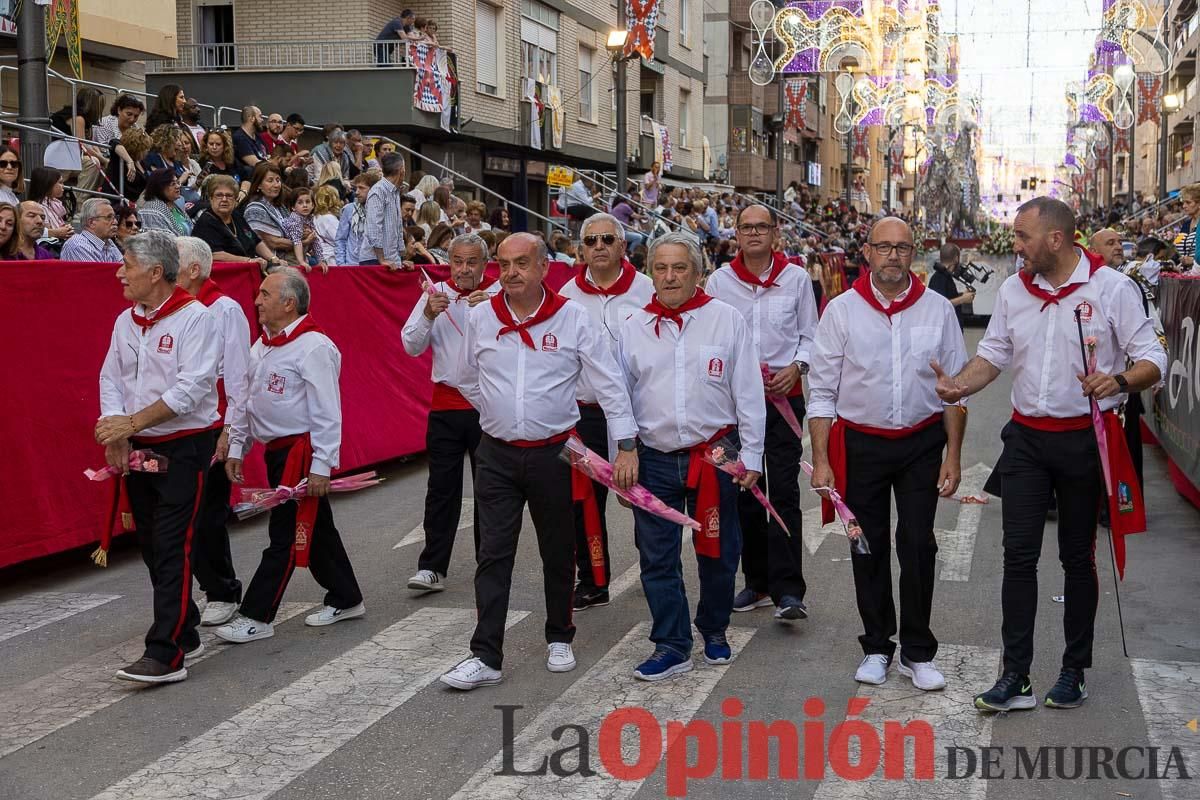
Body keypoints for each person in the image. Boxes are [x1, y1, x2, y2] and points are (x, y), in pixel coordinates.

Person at [932, 197, 1166, 712]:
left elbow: (1154, 356)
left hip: (1085, 439)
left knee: (1077, 558)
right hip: (1026, 442)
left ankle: (1073, 670)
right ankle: (1015, 675)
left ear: (1055, 240)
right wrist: (958, 387)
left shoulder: (1112, 289)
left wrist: (1119, 379)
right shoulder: (1016, 290)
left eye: (1022, 236)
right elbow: (993, 354)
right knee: (1018, 558)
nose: (1015, 246)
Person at [439, 233, 639, 691]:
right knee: (492, 554)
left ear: (545, 267)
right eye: (504, 264)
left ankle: (559, 635)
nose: (511, 273)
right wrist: (499, 410)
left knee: (557, 548)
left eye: (522, 263)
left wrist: (626, 444)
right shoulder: (480, 318)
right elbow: (466, 375)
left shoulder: (572, 319)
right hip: (497, 454)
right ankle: (485, 654)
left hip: (555, 454)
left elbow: (609, 384)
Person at [807, 216, 968, 691]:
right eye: (884, 247)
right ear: (868, 253)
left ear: (913, 253)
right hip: (861, 445)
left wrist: (953, 456)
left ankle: (917, 652)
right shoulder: (840, 311)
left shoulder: (938, 310)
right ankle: (877, 645)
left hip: (921, 443)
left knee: (919, 544)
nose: (893, 256)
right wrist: (821, 459)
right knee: (866, 545)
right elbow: (820, 393)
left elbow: (956, 392)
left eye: (902, 248)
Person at [616, 231, 765, 680]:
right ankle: (671, 643)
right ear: (649, 273)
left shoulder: (726, 319)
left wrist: (753, 455)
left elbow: (748, 391)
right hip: (653, 456)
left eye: (679, 267)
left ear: (698, 273)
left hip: (715, 454)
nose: (669, 276)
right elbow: (617, 398)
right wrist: (620, 459)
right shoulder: (633, 326)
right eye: (660, 268)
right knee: (656, 556)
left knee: (718, 551)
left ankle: (714, 629)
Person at [96, 230, 221, 683]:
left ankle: (165, 653)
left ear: (154, 272)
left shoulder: (197, 319)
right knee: (150, 543)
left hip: (184, 444)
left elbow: (191, 390)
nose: (118, 273)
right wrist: (115, 426)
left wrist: (131, 424)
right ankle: (184, 626)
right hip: (140, 443)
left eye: (126, 265)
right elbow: (112, 376)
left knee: (171, 543)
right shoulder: (125, 321)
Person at [219, 268, 366, 643]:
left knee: (284, 534)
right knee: (317, 529)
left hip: (300, 455)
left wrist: (321, 466)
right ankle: (347, 597)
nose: (257, 301)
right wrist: (238, 445)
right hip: (275, 452)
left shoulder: (314, 347)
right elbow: (249, 402)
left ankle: (257, 614)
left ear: (288, 302)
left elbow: (327, 411)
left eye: (265, 295)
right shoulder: (263, 345)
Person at [707, 203, 818, 622]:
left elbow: (811, 334)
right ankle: (757, 582)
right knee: (746, 491)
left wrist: (796, 366)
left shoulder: (796, 279)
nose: (753, 234)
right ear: (736, 233)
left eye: (761, 227)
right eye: (746, 227)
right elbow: (712, 336)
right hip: (735, 403)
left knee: (784, 491)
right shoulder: (720, 281)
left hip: (784, 397)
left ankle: (790, 589)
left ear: (775, 233)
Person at [558, 213, 654, 610]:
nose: (599, 246)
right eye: (591, 240)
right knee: (584, 503)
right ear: (581, 249)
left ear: (622, 246)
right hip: (586, 415)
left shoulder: (648, 289)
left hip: (639, 412)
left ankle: (655, 575)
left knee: (643, 499)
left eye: (607, 239)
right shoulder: (565, 295)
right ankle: (594, 581)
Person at [403, 232, 500, 594]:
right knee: (440, 490)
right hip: (444, 405)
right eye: (457, 261)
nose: (463, 269)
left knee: (488, 490)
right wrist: (428, 314)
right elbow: (410, 345)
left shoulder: (497, 295)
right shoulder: (434, 293)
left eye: (471, 262)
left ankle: (487, 564)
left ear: (484, 264)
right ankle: (432, 567)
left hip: (487, 408)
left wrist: (489, 311)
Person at [175, 236, 252, 627]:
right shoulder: (169, 309)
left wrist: (231, 430)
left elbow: (238, 375)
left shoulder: (225, 309)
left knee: (209, 512)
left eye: (173, 262)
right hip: (178, 421)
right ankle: (194, 589)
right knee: (180, 513)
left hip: (214, 419)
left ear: (193, 269)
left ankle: (222, 589)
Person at [191, 174, 278, 270]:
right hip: (227, 274)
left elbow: (256, 241)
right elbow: (215, 254)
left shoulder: (235, 215)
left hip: (251, 268)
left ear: (235, 199)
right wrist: (248, 261)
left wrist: (273, 258)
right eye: (219, 195)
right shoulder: (206, 222)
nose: (224, 199)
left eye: (229, 196)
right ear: (211, 198)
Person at [360, 152, 407, 268]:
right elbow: (374, 228)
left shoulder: (395, 191)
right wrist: (381, 260)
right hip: (374, 260)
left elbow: (398, 228)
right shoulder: (378, 191)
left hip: (391, 259)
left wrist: (401, 259)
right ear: (401, 170)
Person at [242, 162, 294, 263]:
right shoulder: (255, 209)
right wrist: (302, 242)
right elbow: (273, 242)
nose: (276, 185)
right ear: (259, 185)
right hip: (269, 262)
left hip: (289, 258)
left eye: (278, 180)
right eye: (270, 180)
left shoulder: (281, 207)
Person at [335, 171, 380, 266]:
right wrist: (341, 264)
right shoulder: (349, 209)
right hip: (352, 265)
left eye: (362, 188)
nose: (357, 192)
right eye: (356, 188)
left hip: (374, 264)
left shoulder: (382, 211)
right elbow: (340, 239)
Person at [927, 243, 976, 328]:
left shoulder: (944, 275)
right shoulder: (939, 278)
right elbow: (939, 305)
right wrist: (962, 299)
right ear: (956, 258)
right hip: (945, 328)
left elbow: (947, 297)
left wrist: (962, 295)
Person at [281, 186, 325, 271]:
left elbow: (315, 240)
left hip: (302, 254)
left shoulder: (309, 219)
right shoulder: (295, 220)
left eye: (308, 202)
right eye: (300, 202)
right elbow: (296, 241)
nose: (305, 205)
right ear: (293, 207)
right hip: (290, 256)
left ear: (312, 205)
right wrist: (301, 261)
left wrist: (321, 260)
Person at [138, 169, 192, 236]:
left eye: (177, 182)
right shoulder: (152, 211)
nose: (178, 186)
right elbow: (160, 242)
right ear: (160, 187)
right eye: (173, 184)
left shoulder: (176, 205)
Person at [27, 166, 73, 242]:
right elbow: (45, 231)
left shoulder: (54, 203)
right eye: (60, 182)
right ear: (48, 184)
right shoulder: (40, 207)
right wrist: (59, 232)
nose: (63, 186)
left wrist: (66, 229)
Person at [232, 106, 268, 177]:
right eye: (260, 116)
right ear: (251, 118)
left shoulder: (258, 137)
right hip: (250, 178)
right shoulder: (239, 137)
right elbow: (255, 163)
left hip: (263, 175)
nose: (262, 120)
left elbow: (267, 156)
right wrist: (272, 164)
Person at [312, 185, 342, 265]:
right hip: (332, 259)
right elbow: (339, 239)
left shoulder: (317, 216)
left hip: (325, 257)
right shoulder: (328, 218)